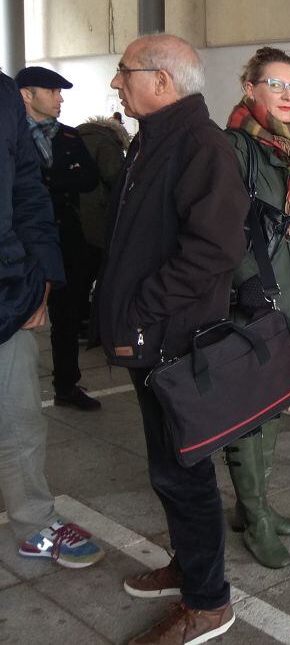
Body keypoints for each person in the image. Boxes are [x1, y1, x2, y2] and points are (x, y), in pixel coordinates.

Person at [98, 34, 247, 643]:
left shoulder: (199, 145)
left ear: (161, 81)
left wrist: (140, 307)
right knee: (167, 467)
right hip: (151, 337)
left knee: (184, 472)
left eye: (123, 72)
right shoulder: (154, 140)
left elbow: (214, 250)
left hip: (172, 339)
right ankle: (189, 569)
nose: (115, 83)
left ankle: (209, 603)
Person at [222, 47, 290, 568]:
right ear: (250, 88)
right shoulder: (235, 145)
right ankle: (256, 515)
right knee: (250, 408)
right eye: (275, 84)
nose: (287, 95)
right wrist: (249, 286)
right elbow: (226, 224)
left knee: (274, 401)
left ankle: (253, 505)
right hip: (257, 293)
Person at [1, 69, 104, 570]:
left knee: (19, 420)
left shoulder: (1, 96)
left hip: (4, 295)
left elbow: (26, 189)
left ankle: (34, 523)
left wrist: (40, 272)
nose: (60, 99)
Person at [17, 66, 101, 410]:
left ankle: (67, 386)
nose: (60, 99)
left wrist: (46, 182)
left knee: (66, 318)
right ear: (27, 94)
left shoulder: (68, 136)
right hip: (22, 243)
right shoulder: (13, 137)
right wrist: (59, 179)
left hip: (66, 237)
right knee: (18, 316)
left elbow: (90, 179)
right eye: (52, 92)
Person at [77, 112, 130, 323]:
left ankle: (79, 315)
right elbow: (114, 177)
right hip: (98, 213)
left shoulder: (77, 137)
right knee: (101, 267)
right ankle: (94, 317)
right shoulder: (107, 143)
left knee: (80, 272)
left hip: (75, 212)